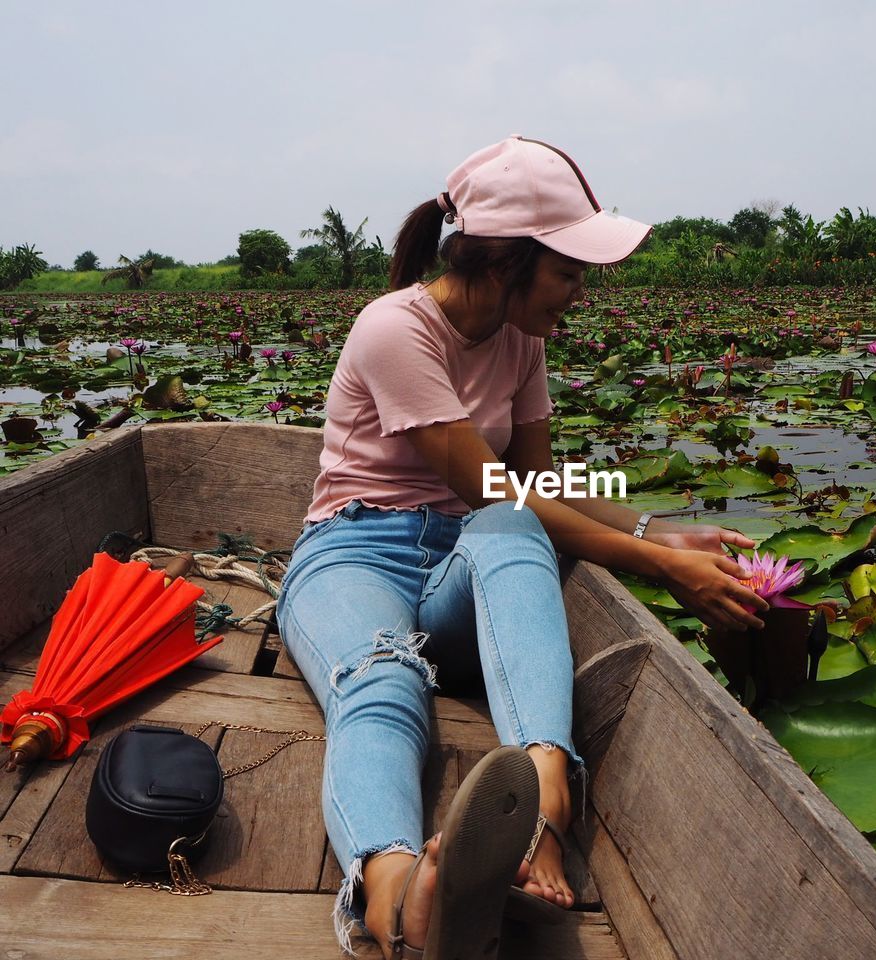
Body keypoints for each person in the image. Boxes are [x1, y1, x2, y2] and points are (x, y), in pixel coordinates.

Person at [277, 135, 769, 960]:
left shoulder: (521, 340)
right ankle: (398, 903)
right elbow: (494, 486)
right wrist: (662, 568)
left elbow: (541, 487)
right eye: (569, 272)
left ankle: (544, 801)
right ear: (507, 262)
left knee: (510, 528)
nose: (579, 293)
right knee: (383, 679)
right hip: (355, 552)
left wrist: (654, 526)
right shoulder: (393, 329)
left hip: (458, 566)